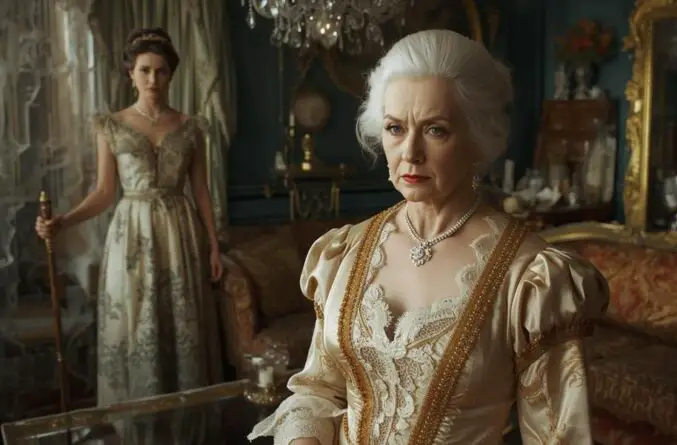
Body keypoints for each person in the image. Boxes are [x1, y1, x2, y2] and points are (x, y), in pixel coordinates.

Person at [248, 29, 610, 445]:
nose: (410, 152)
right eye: (395, 128)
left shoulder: (530, 277)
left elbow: (560, 436)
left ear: (478, 136)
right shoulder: (345, 251)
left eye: (436, 130)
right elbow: (319, 389)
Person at [35, 27, 223, 443]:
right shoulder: (113, 126)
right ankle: (139, 429)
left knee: (181, 327)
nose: (153, 78)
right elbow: (104, 192)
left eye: (160, 70)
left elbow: (202, 192)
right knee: (137, 326)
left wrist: (213, 245)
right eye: (144, 70)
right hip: (131, 235)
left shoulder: (190, 127)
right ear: (130, 74)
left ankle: (184, 428)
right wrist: (63, 221)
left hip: (179, 233)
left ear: (170, 74)